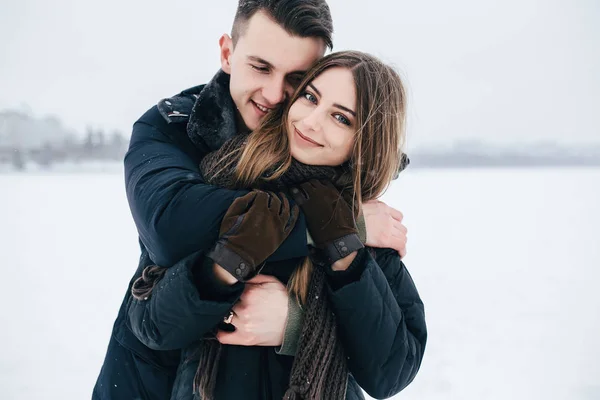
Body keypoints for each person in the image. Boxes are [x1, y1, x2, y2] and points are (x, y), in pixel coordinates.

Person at [93, 1, 409, 399]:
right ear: (227, 53)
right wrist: (341, 227)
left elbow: (392, 361)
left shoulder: (341, 178)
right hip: (156, 381)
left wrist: (297, 323)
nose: (276, 95)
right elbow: (170, 228)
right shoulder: (174, 127)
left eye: (296, 77)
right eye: (261, 67)